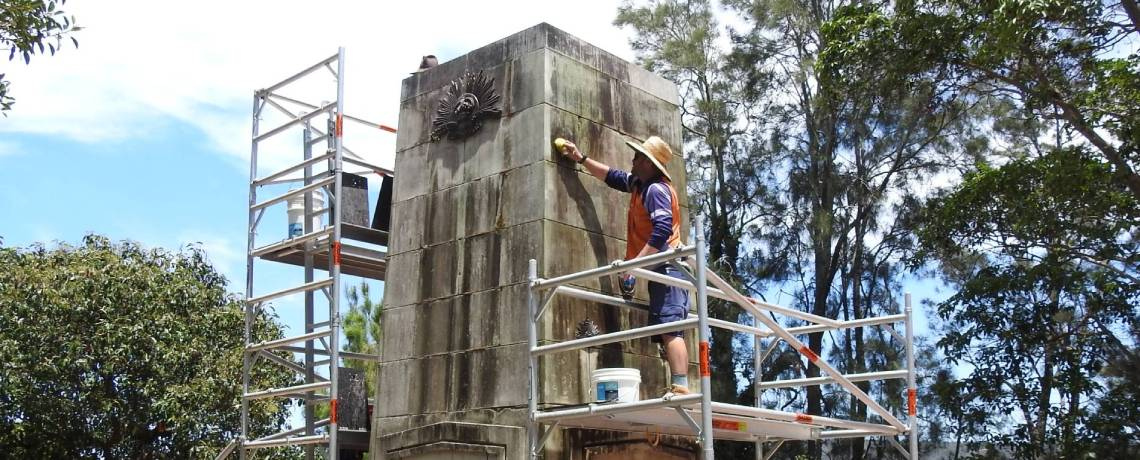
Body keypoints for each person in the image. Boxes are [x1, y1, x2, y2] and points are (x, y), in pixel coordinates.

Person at [558, 136, 691, 395]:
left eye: (639, 157)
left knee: (670, 326)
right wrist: (580, 158)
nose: (633, 159)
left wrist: (634, 265)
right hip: (661, 268)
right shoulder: (639, 184)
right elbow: (613, 176)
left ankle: (681, 386)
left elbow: (662, 230)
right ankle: (679, 385)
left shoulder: (655, 190)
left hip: (670, 266)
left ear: (650, 165)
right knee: (667, 326)